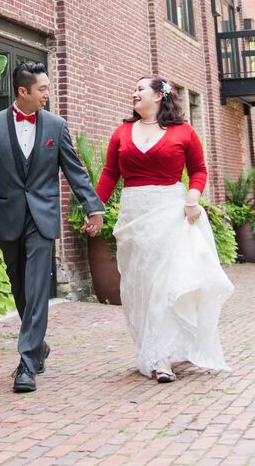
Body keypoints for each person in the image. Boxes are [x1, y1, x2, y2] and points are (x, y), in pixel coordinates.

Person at [0, 61, 104, 393]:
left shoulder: (56, 126)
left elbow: (75, 171)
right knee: (20, 288)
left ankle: (27, 364)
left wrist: (93, 208)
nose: (48, 94)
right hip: (9, 217)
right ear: (23, 91)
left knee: (35, 289)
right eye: (42, 89)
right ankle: (38, 344)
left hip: (42, 218)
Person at [96, 74, 234, 383]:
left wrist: (193, 196)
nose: (134, 93)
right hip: (134, 214)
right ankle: (153, 347)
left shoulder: (183, 131)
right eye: (134, 89)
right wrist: (95, 208)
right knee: (140, 286)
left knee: (164, 284)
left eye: (140, 89)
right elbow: (109, 174)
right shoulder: (122, 132)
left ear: (159, 95)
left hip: (171, 214)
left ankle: (161, 358)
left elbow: (198, 170)